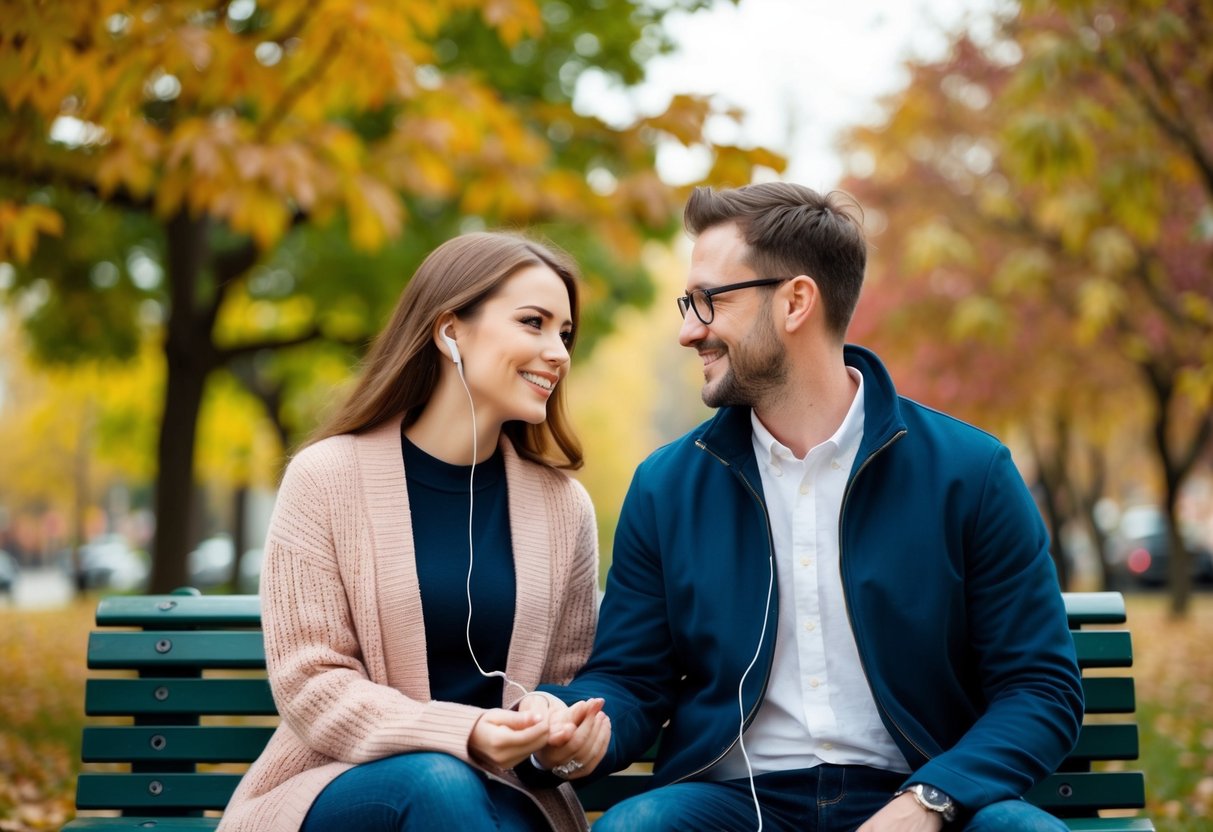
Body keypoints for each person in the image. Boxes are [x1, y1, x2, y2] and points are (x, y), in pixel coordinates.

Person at [528, 183, 1084, 831]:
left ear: (795, 302)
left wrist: (929, 801)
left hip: (924, 797)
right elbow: (631, 679)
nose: (687, 331)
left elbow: (1039, 689)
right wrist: (580, 730)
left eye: (706, 301)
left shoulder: (970, 472)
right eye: (687, 304)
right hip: (736, 805)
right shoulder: (667, 485)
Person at [219, 231, 610, 832]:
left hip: (509, 802)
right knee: (438, 779)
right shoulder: (325, 480)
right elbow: (310, 680)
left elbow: (568, 676)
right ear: (449, 330)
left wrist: (556, 731)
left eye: (564, 333)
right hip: (345, 788)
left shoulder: (564, 510)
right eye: (533, 323)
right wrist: (464, 734)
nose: (557, 351)